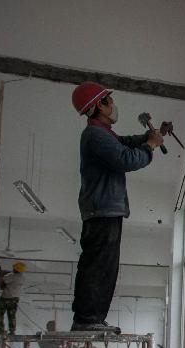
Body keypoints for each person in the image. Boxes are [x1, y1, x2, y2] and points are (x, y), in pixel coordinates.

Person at [69, 82, 164, 333]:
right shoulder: (95, 135)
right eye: (109, 100)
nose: (113, 105)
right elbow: (125, 158)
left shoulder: (101, 133)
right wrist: (151, 146)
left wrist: (148, 136)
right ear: (99, 105)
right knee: (99, 266)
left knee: (102, 265)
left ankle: (90, 319)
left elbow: (124, 143)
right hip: (103, 209)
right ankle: (87, 320)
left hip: (104, 208)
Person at [0, 262, 25, 334]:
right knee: (11, 315)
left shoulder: (12, 276)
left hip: (6, 297)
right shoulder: (22, 277)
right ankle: (12, 331)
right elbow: (11, 275)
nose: (13, 269)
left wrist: (1, 273)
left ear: (17, 269)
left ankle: (0, 330)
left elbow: (1, 280)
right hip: (15, 299)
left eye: (14, 268)